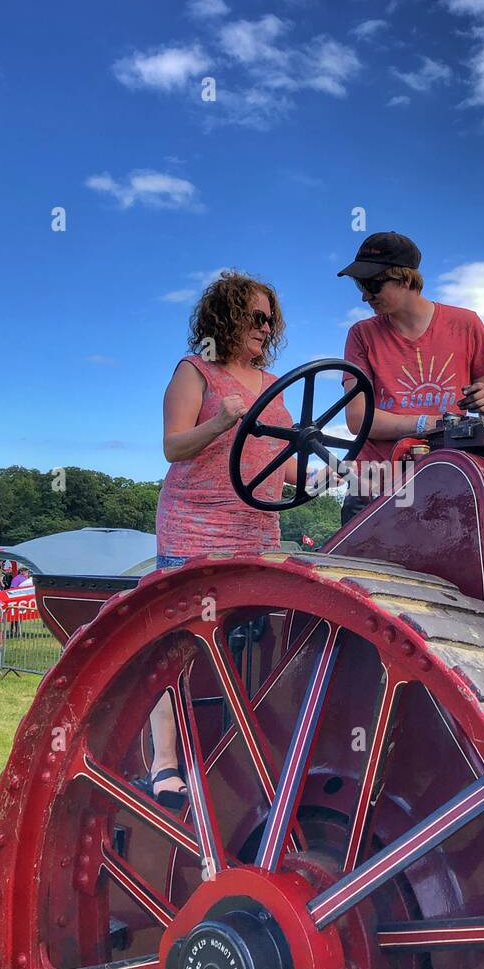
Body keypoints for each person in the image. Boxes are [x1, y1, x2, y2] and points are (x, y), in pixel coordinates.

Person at [144, 270, 295, 808]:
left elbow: (282, 461)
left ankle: (241, 754)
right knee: (179, 640)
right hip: (196, 525)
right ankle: (164, 760)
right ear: (226, 317)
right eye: (255, 316)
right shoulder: (195, 371)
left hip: (257, 529)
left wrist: (319, 471)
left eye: (269, 318)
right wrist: (218, 424)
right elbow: (173, 446)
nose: (264, 326)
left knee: (252, 642)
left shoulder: (273, 383)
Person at [336, 231, 484, 524]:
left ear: (405, 279)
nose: (365, 295)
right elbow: (358, 419)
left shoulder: (467, 324)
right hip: (374, 483)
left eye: (373, 284)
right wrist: (428, 423)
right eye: (360, 285)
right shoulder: (361, 335)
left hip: (447, 481)